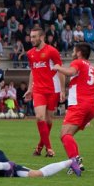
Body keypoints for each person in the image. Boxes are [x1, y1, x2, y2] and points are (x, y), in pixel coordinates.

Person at [50, 43, 94, 176]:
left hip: (79, 105)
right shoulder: (93, 68)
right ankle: (74, 162)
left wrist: (58, 67)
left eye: (73, 50)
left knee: (64, 135)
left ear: (78, 53)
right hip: (90, 106)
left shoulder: (78, 62)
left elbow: (71, 72)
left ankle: (75, 160)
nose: (72, 53)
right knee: (68, 135)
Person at [24, 26, 64, 157]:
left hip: (53, 89)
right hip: (39, 90)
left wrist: (63, 90)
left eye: (34, 37)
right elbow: (32, 71)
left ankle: (40, 147)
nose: (32, 39)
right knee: (39, 117)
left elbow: (60, 70)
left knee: (48, 121)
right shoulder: (30, 53)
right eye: (31, 37)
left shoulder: (52, 51)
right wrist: (30, 88)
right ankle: (50, 149)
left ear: (41, 37)